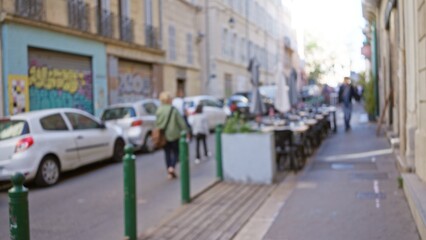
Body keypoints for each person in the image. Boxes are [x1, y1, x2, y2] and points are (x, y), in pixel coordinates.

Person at [156, 91, 188, 179]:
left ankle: (169, 170)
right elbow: (181, 122)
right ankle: (172, 167)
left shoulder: (159, 110)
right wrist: (186, 131)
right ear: (168, 100)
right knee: (176, 152)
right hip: (174, 135)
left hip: (163, 135)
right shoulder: (173, 109)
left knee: (167, 153)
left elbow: (157, 123)